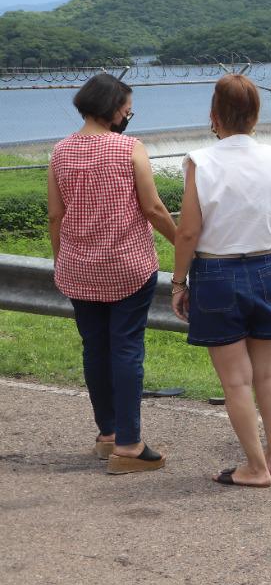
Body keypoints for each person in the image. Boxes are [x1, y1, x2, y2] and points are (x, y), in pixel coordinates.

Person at [170, 75, 271, 487]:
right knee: (266, 373)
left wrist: (178, 282)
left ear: (213, 114)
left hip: (217, 274)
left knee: (235, 380)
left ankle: (254, 467)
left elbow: (187, 232)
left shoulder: (200, 161)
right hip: (265, 270)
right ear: (256, 115)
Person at [48, 73, 177, 474]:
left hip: (79, 268)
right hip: (127, 266)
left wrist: (63, 259)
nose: (128, 114)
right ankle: (129, 445)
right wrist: (183, 244)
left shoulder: (60, 152)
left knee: (95, 348)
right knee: (126, 349)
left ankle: (107, 436)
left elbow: (56, 214)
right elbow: (154, 209)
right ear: (112, 109)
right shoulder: (129, 149)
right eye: (127, 108)